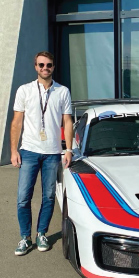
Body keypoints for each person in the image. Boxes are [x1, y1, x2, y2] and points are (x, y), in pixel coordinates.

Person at [10, 51, 73, 256]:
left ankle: (41, 233)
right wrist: (13, 150)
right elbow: (17, 122)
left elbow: (67, 122)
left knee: (48, 196)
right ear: (35, 66)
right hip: (28, 151)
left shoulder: (62, 91)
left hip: (53, 153)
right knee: (22, 197)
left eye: (49, 65)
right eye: (41, 65)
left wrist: (69, 149)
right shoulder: (24, 90)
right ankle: (25, 238)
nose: (45, 68)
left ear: (53, 67)